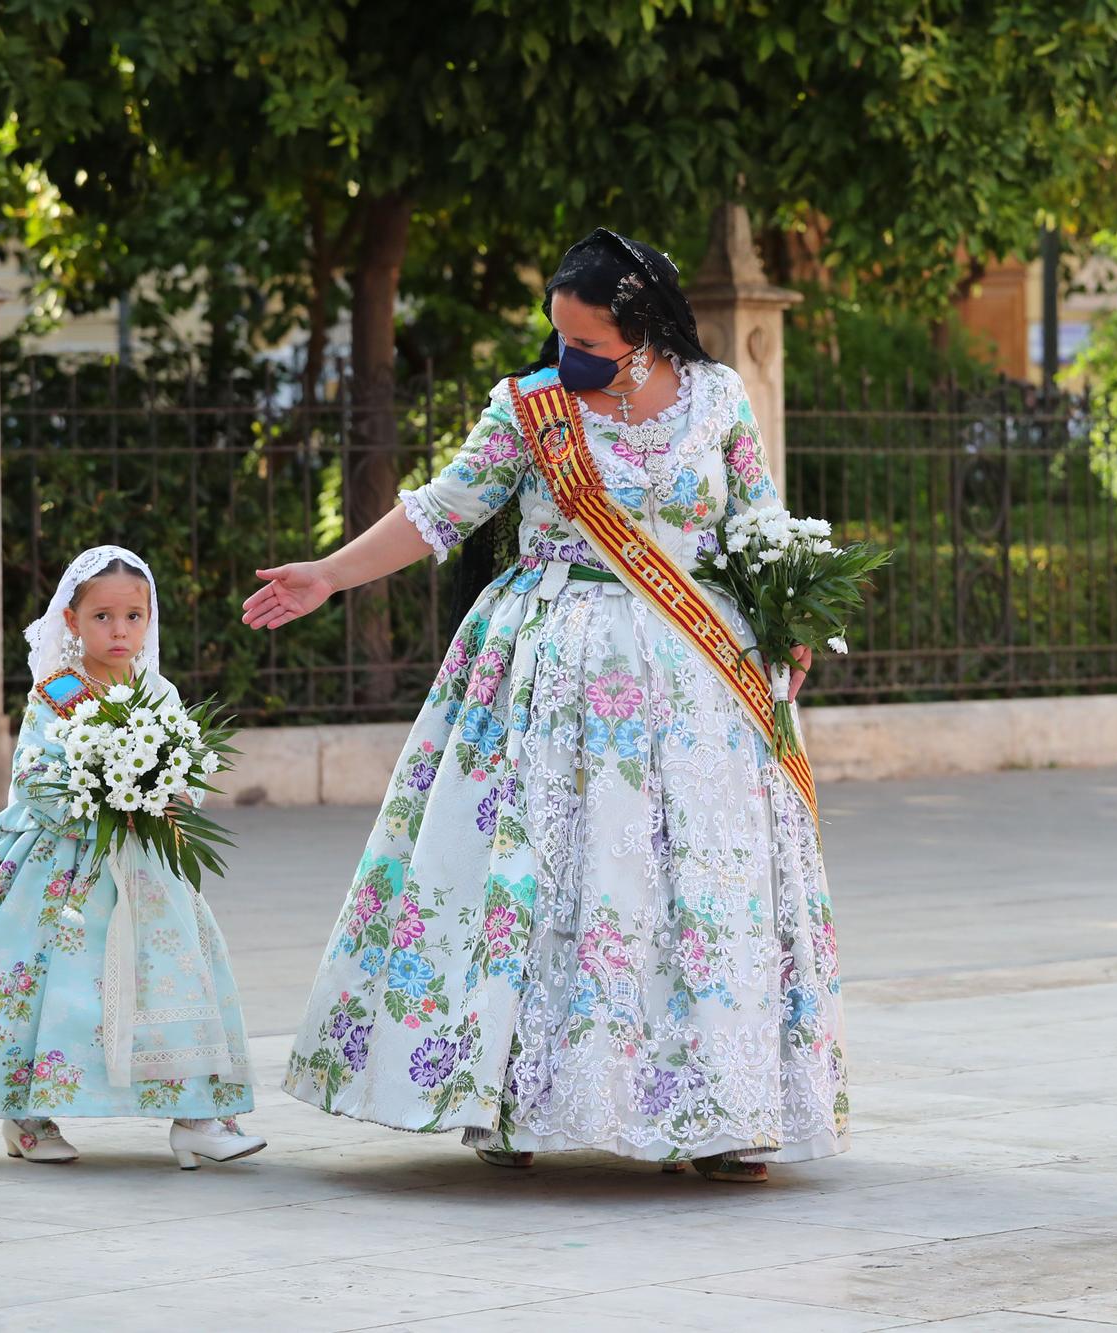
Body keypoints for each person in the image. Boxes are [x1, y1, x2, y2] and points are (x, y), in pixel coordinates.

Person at [247, 230, 848, 1182]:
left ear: (645, 329)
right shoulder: (532, 411)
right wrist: (328, 573)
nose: (567, 354)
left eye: (589, 340)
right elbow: (437, 512)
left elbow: (757, 522)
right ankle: (512, 1096)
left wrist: (790, 618)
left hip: (703, 681)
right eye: (557, 334)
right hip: (554, 680)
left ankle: (723, 1110)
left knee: (702, 886)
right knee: (544, 877)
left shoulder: (719, 398)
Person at [0, 545, 266, 1170]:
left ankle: (198, 1114)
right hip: (59, 865)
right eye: (102, 617)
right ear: (72, 620)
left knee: (173, 974)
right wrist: (97, 789)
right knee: (46, 983)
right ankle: (27, 1115)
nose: (119, 631)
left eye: (134, 616)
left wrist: (167, 786)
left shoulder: (159, 690)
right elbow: (34, 777)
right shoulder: (58, 693)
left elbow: (188, 774)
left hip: (145, 864)